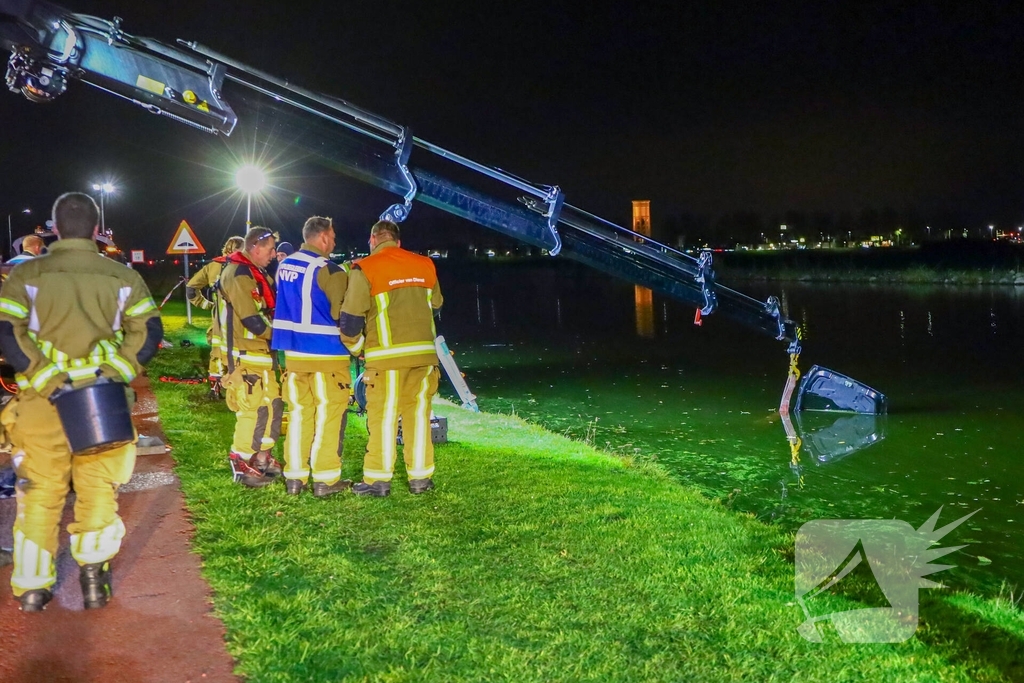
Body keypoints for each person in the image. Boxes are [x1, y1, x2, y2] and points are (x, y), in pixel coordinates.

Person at [0, 192, 162, 611]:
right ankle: (94, 583)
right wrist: (115, 373)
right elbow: (149, 333)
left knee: (39, 492)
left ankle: (34, 589)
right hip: (102, 404)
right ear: (95, 228)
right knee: (97, 489)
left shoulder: (25, 275)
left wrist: (46, 378)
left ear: (53, 228)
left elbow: (7, 332)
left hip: (42, 404)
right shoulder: (122, 277)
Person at [340, 220, 443, 497]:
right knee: (418, 417)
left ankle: (377, 481)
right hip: (423, 358)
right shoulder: (425, 265)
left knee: (383, 418)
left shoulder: (367, 268)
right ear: (397, 241)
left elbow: (350, 321)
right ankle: (420, 479)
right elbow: (436, 304)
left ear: (373, 240)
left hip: (385, 360)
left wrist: (358, 347)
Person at [271, 217, 352, 497]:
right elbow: (343, 315)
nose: (334, 241)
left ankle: (295, 477)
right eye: (332, 236)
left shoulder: (285, 265)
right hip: (327, 356)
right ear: (322, 238)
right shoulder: (330, 270)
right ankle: (325, 479)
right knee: (329, 416)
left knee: (299, 416)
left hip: (293, 356)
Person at [217, 226, 283, 487]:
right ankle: (241, 461)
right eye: (269, 249)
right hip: (246, 354)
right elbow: (253, 320)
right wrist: (282, 336)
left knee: (273, 405)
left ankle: (261, 456)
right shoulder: (238, 273)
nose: (273, 254)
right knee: (252, 410)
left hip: (262, 353)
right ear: (255, 246)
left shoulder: (256, 273)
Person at [186, 236, 244, 395]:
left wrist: (207, 305)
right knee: (240, 350)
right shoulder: (244, 267)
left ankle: (215, 387)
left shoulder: (213, 266)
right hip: (240, 319)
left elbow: (191, 288)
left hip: (218, 320)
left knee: (216, 352)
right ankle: (238, 386)